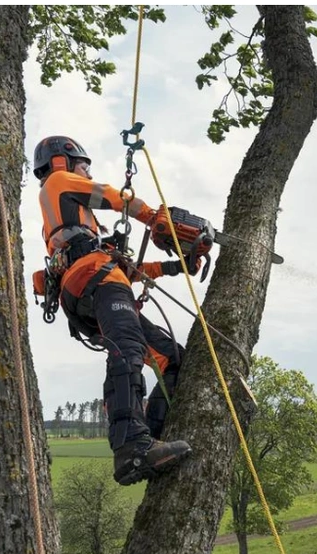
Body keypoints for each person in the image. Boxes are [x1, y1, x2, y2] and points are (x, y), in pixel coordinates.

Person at [31, 135, 195, 486]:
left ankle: (150, 438)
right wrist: (155, 218)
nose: (86, 171)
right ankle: (130, 445)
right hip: (94, 281)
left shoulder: (79, 225)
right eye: (83, 165)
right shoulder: (59, 183)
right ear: (61, 161)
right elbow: (112, 196)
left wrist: (177, 267)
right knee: (128, 348)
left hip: (99, 283)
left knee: (173, 358)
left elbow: (131, 270)